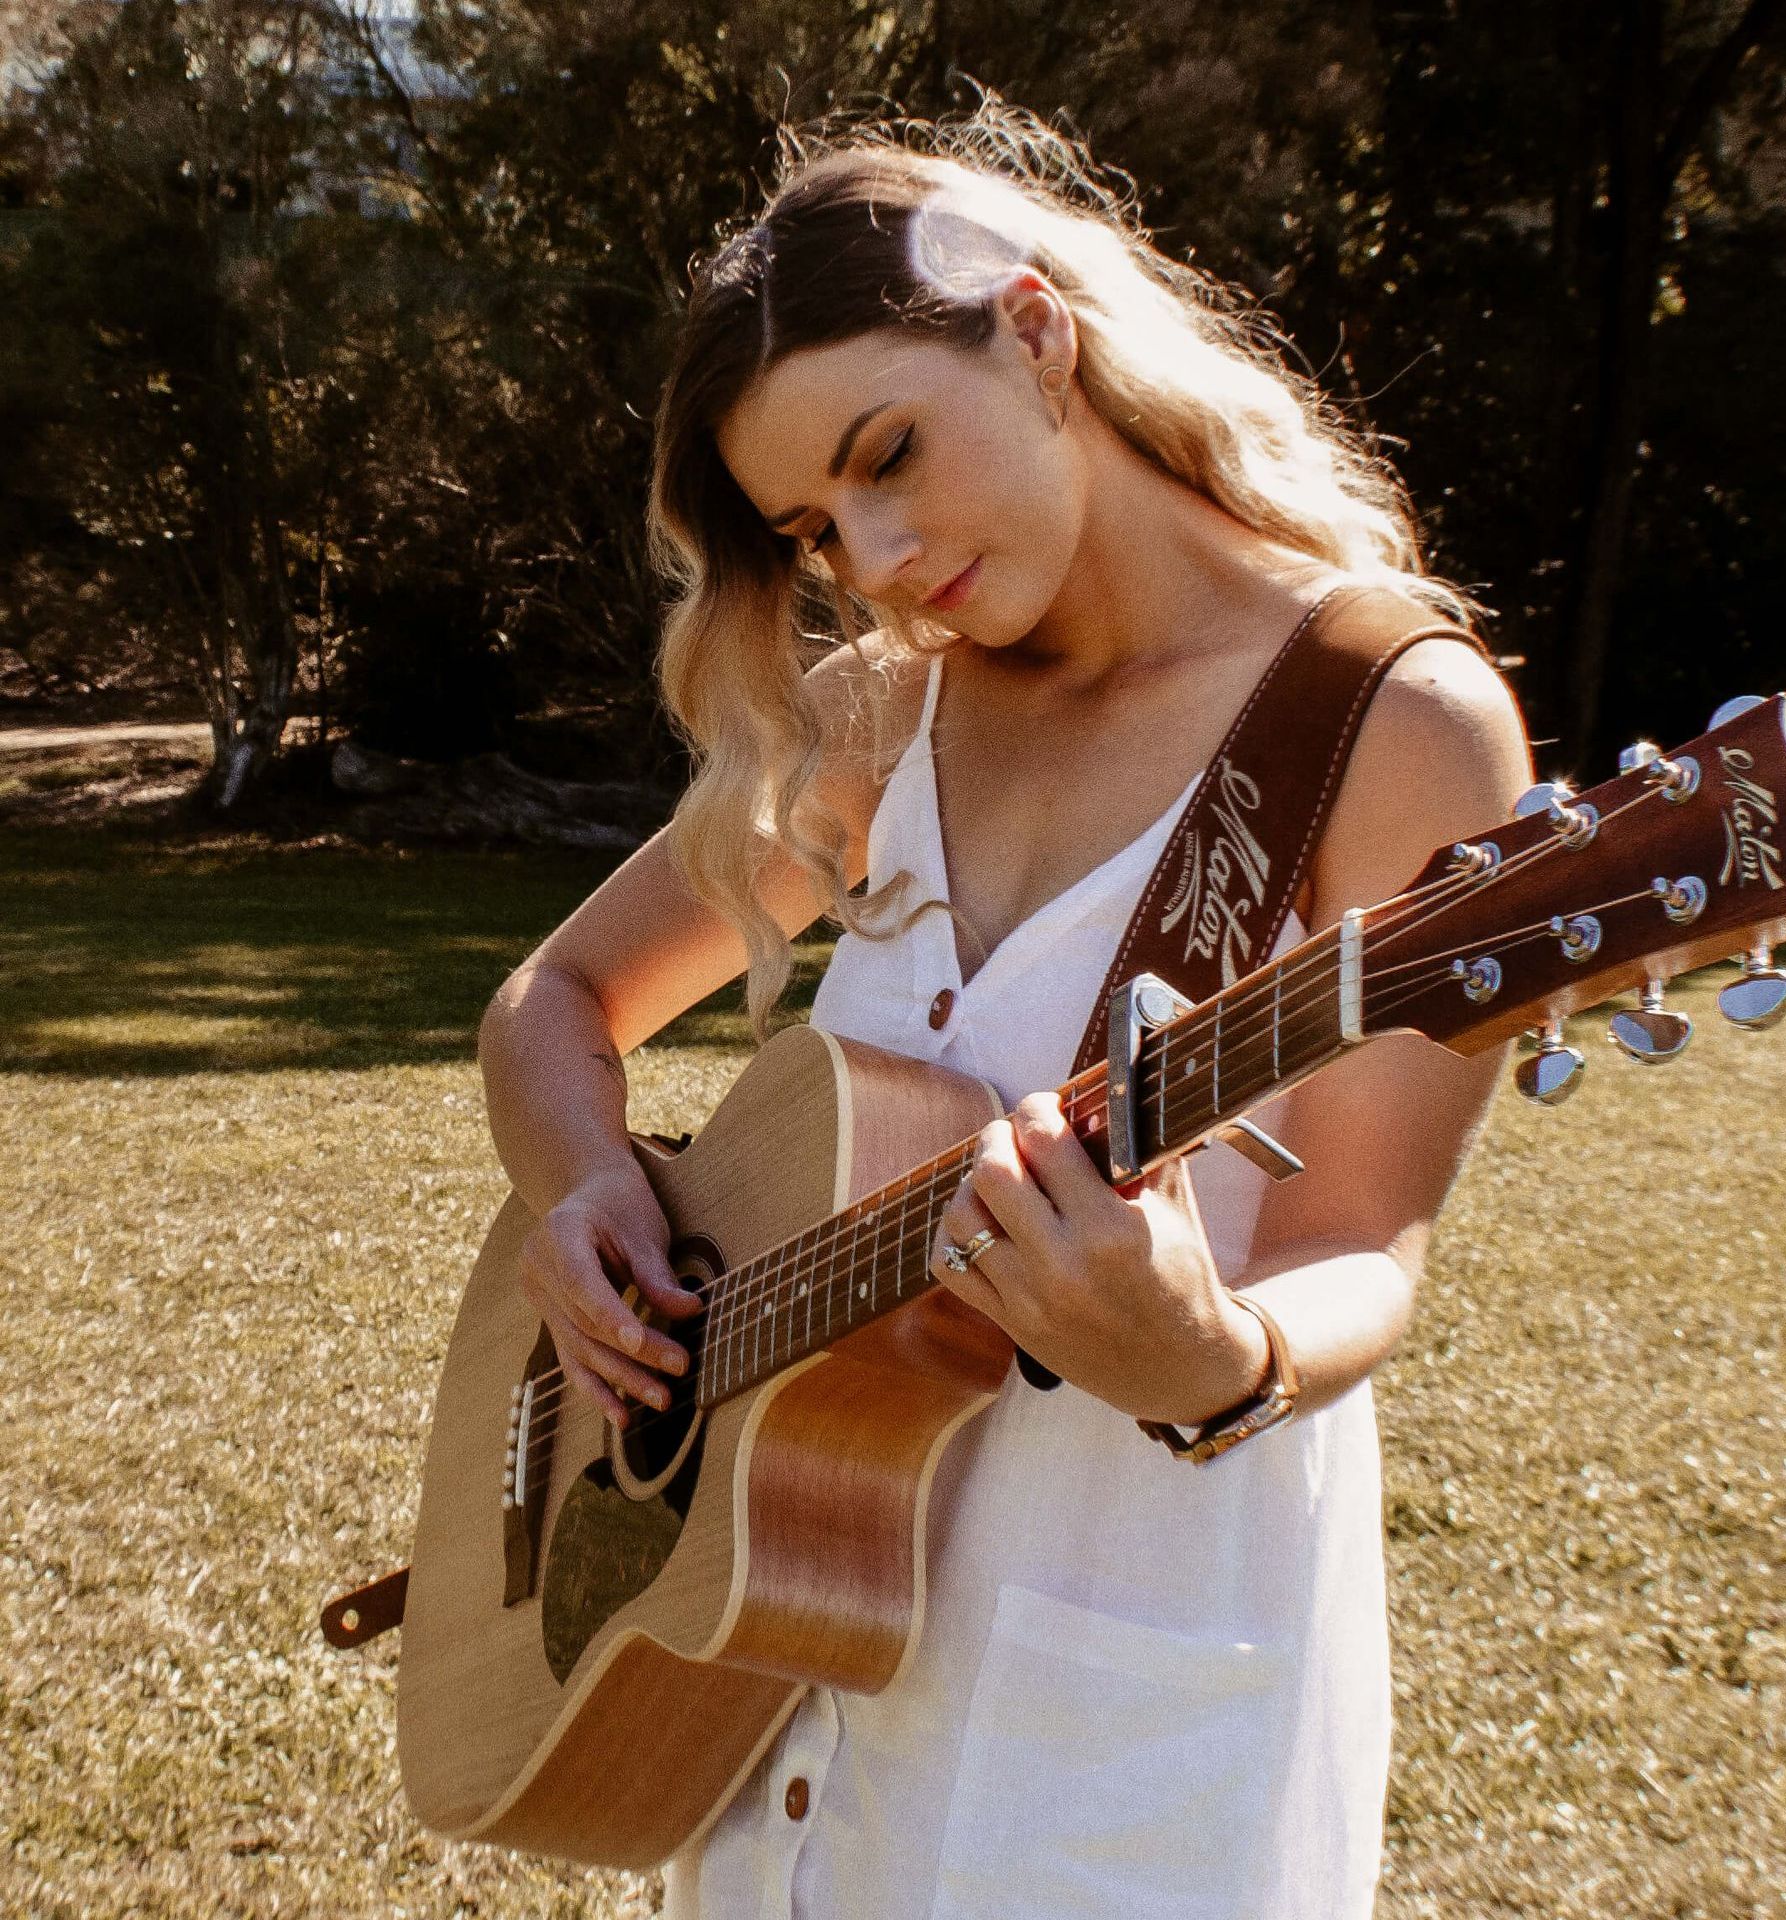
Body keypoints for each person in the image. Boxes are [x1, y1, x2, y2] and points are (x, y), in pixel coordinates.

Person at [479, 102, 1532, 1920]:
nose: (876, 557)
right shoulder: (885, 719)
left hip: (1128, 1707)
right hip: (782, 1666)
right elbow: (556, 1001)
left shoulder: (1386, 720)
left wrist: (1216, 1365)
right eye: (815, 525)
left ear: (1038, 332)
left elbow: (1366, 1239)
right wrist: (585, 1190)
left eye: (890, 452)